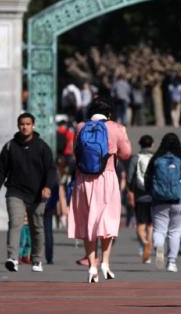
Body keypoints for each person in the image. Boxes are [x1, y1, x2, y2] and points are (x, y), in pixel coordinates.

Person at [67, 99, 132, 283]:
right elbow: (126, 153)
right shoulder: (116, 127)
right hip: (107, 178)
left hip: (84, 180)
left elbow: (75, 152)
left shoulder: (81, 127)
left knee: (88, 223)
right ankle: (105, 262)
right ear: (108, 114)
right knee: (108, 221)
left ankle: (91, 266)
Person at [0, 112, 58, 273]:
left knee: (37, 227)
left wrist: (48, 187)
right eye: (22, 124)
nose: (25, 127)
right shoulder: (10, 146)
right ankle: (12, 258)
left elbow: (51, 170)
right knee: (15, 223)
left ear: (33, 125)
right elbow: (1, 171)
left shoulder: (42, 147)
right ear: (18, 126)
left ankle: (37, 259)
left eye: (28, 124)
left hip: (37, 194)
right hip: (15, 192)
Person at [145, 133, 181, 273]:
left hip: (159, 202)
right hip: (179, 201)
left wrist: (152, 193)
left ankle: (159, 246)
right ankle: (171, 262)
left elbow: (147, 180)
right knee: (175, 232)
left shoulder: (155, 160)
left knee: (159, 230)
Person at [127, 135, 155, 263]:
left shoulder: (135, 158)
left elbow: (129, 177)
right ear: (152, 144)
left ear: (139, 144)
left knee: (140, 224)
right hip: (154, 195)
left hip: (139, 196)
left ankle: (144, 243)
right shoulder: (155, 158)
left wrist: (130, 192)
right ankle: (149, 244)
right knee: (150, 224)